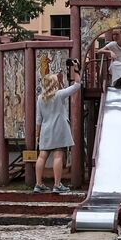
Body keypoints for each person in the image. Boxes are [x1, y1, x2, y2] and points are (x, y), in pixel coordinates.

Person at [35, 64, 80, 193]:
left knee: (42, 156)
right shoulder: (59, 95)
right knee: (58, 156)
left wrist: (38, 134)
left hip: (45, 129)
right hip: (59, 128)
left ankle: (38, 184)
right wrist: (76, 69)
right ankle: (57, 184)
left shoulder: (40, 99)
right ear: (54, 84)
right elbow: (77, 85)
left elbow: (38, 119)